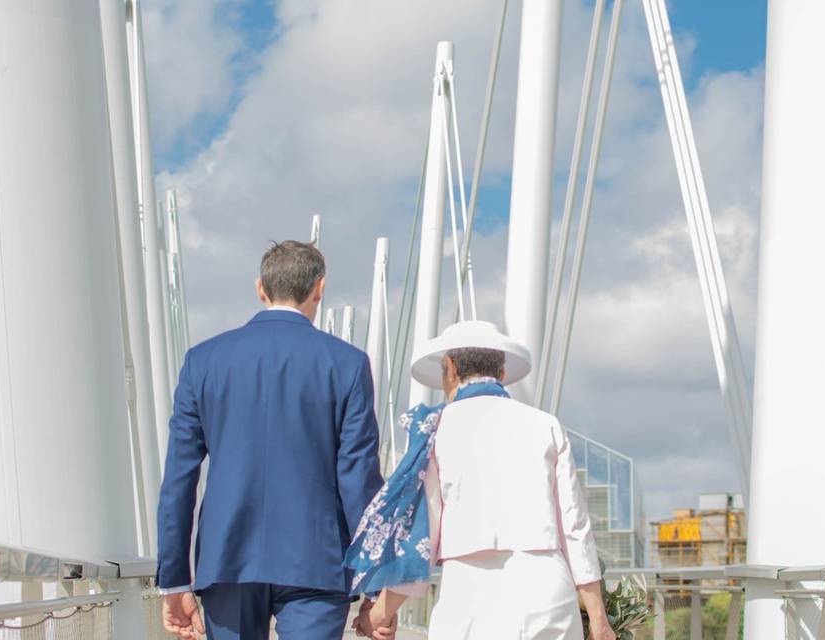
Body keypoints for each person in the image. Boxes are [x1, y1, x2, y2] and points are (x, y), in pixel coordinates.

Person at [157, 240, 386, 640]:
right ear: (320, 288)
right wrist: (377, 578)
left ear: (260, 288)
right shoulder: (347, 364)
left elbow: (180, 477)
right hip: (317, 560)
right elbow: (359, 479)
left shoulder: (203, 361)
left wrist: (175, 579)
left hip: (227, 555)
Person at [346, 320, 617, 640]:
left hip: (471, 594)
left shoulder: (436, 429)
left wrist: (379, 614)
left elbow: (421, 535)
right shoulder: (545, 425)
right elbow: (575, 529)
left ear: (450, 368)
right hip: (547, 591)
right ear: (501, 373)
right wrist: (598, 619)